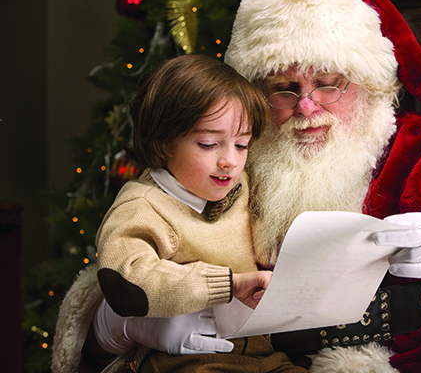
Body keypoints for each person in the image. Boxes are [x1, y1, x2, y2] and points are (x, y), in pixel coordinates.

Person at [52, 0, 421, 372]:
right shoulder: (231, 164)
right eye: (284, 89)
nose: (307, 108)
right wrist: (122, 324)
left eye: (330, 83)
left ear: (373, 83)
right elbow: (130, 262)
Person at [52, 54, 307, 373]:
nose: (229, 160)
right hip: (186, 357)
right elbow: (125, 281)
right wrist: (228, 285)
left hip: (261, 354)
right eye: (208, 144)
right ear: (163, 141)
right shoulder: (144, 204)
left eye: (241, 146)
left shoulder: (242, 185)